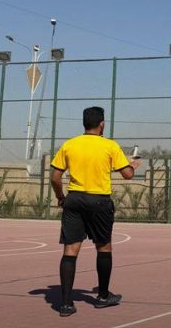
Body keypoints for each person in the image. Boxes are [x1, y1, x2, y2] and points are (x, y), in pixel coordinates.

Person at [50, 106, 139, 317]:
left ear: (84, 123)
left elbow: (55, 177)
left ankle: (66, 304)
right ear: (102, 124)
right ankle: (103, 296)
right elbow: (127, 175)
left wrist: (61, 197)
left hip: (74, 199)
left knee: (70, 250)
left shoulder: (69, 145)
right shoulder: (110, 145)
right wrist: (132, 166)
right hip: (99, 201)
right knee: (104, 247)